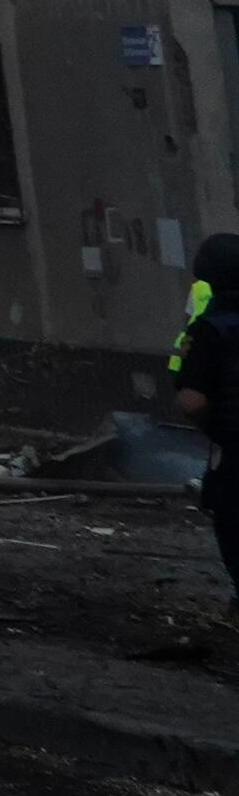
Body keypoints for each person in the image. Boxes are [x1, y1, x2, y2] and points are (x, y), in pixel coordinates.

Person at [178, 230, 239, 602]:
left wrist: (213, 427)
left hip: (234, 454)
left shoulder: (210, 330)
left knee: (234, 533)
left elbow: (192, 401)